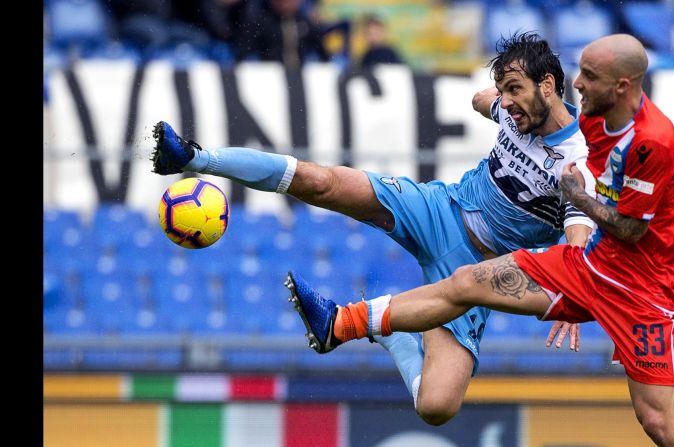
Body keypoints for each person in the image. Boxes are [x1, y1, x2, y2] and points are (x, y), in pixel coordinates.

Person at [287, 34, 674, 445]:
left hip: (642, 294)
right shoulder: (593, 116)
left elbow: (630, 227)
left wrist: (581, 201)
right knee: (466, 282)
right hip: (587, 266)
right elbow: (628, 199)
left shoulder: (653, 141)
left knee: (657, 419)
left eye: (589, 74)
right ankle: (342, 324)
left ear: (622, 86)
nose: (580, 82)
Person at [152, 32, 599, 426]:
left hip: (476, 270)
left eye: (514, 90)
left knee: (436, 407)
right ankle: (192, 157)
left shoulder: (578, 160)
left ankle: (394, 335)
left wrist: (571, 295)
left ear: (548, 86)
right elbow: (482, 100)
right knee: (322, 182)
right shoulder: (510, 108)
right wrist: (501, 95)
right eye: (502, 90)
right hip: (438, 209)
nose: (504, 102)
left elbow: (578, 233)